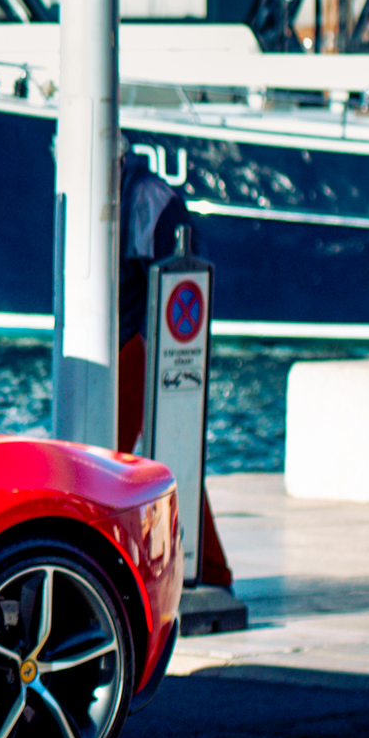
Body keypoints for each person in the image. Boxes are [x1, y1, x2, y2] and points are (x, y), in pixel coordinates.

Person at [117, 151, 231, 589]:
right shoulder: (142, 193)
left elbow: (173, 278)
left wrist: (154, 348)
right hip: (132, 344)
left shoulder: (149, 197)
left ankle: (207, 567)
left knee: (137, 465)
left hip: (137, 347)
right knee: (153, 463)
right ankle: (207, 567)